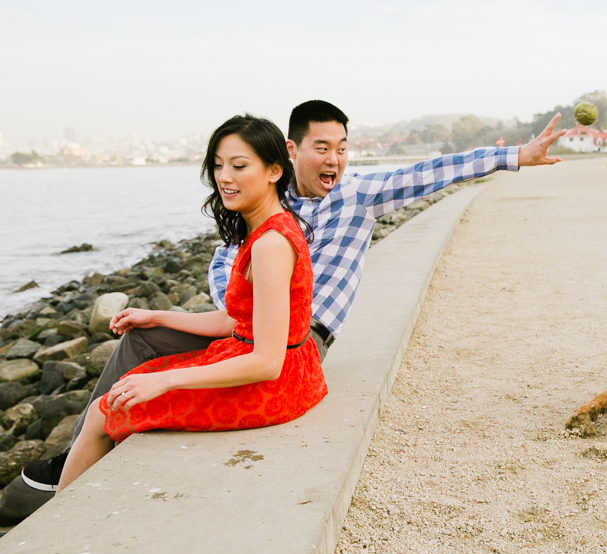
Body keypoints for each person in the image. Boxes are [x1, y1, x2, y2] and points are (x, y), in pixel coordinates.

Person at [18, 100, 565, 499]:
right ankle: (88, 446)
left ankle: (90, 446)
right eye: (322, 148)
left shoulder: (349, 200)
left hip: (299, 345)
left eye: (343, 148)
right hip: (254, 331)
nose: (335, 159)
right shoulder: (260, 215)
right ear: (291, 152)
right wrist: (164, 315)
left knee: (148, 383)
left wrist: (516, 155)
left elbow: (430, 171)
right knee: (141, 340)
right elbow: (234, 295)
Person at [57, 115, 326, 492]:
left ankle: (55, 524)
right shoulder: (268, 228)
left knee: (104, 414)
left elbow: (267, 362)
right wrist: (158, 316)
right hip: (284, 370)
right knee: (124, 391)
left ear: (274, 170)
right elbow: (239, 321)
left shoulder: (270, 245)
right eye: (218, 165)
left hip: (272, 387)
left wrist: (164, 382)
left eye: (239, 165)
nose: (224, 177)